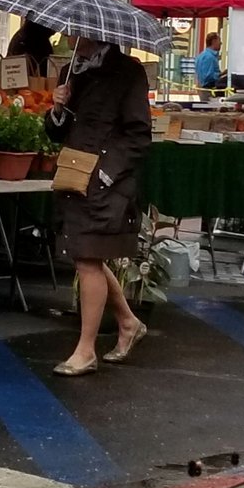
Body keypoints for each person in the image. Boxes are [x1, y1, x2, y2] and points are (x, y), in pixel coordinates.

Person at [45, 38, 152, 376]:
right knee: (84, 253)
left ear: (97, 34)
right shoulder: (71, 71)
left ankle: (86, 350)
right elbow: (57, 132)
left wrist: (106, 173)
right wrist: (57, 109)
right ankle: (128, 323)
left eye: (78, 29)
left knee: (87, 256)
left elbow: (139, 134)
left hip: (105, 181)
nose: (71, 34)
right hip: (75, 175)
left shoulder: (127, 72)